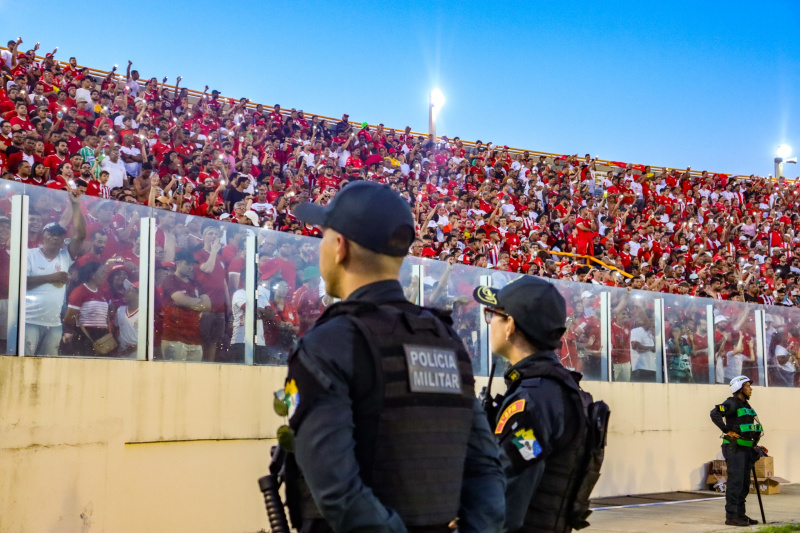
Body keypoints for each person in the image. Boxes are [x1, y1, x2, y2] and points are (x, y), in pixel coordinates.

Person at [283, 181, 505, 533]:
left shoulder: (329, 343)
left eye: (323, 236)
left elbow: (338, 491)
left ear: (340, 247)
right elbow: (487, 473)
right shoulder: (444, 338)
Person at [474, 276, 589, 533]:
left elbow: (505, 503)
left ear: (510, 325)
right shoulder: (551, 386)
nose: (489, 324)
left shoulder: (531, 400)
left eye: (492, 315)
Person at [710, 376, 767, 527]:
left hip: (746, 449)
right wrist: (726, 430)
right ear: (740, 388)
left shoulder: (746, 405)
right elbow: (714, 413)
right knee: (735, 483)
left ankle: (740, 514)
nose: (750, 389)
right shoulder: (731, 403)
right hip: (734, 448)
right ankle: (732, 516)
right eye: (747, 386)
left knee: (743, 484)